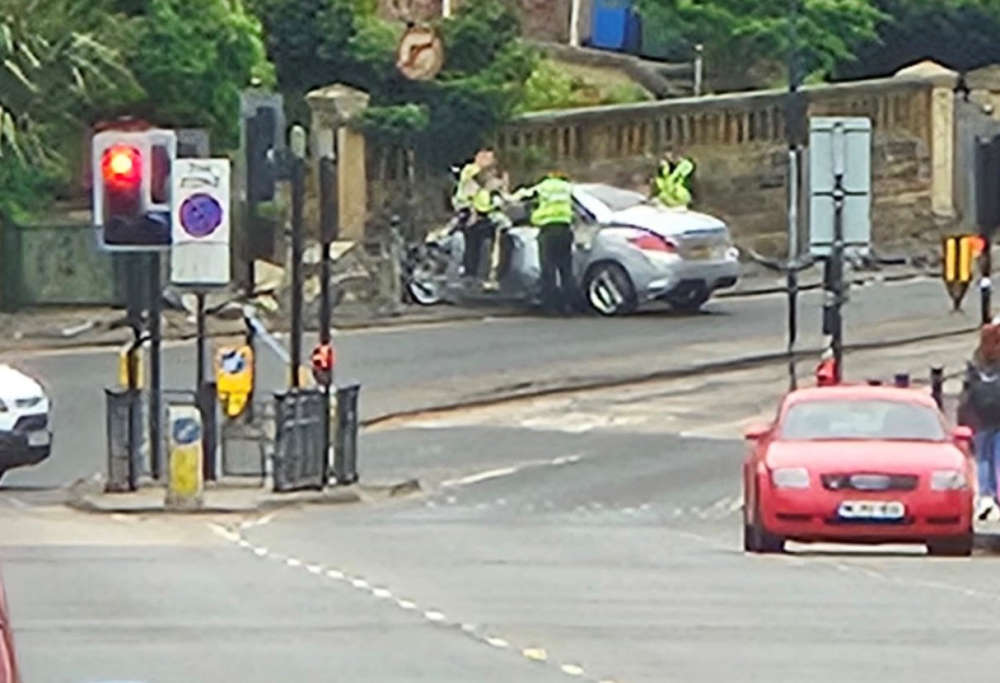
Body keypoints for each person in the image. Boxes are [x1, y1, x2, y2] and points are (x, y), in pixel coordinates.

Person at [512, 171, 574, 313]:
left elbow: (522, 197)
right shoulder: (567, 187)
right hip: (565, 229)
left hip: (548, 230)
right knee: (566, 270)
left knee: (548, 269)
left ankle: (550, 306)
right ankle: (569, 305)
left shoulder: (543, 187)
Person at [958, 320, 1000, 520]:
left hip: (980, 417)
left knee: (983, 458)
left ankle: (985, 495)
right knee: (998, 456)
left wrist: (964, 418)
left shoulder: (977, 361)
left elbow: (967, 393)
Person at [451, 148, 511, 286]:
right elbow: (473, 189)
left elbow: (496, 194)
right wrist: (472, 212)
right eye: (486, 157)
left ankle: (484, 275)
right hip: (471, 212)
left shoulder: (489, 173)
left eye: (491, 158)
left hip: (484, 213)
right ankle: (471, 275)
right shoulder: (471, 170)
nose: (490, 161)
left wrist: (502, 188)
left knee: (487, 243)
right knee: (473, 244)